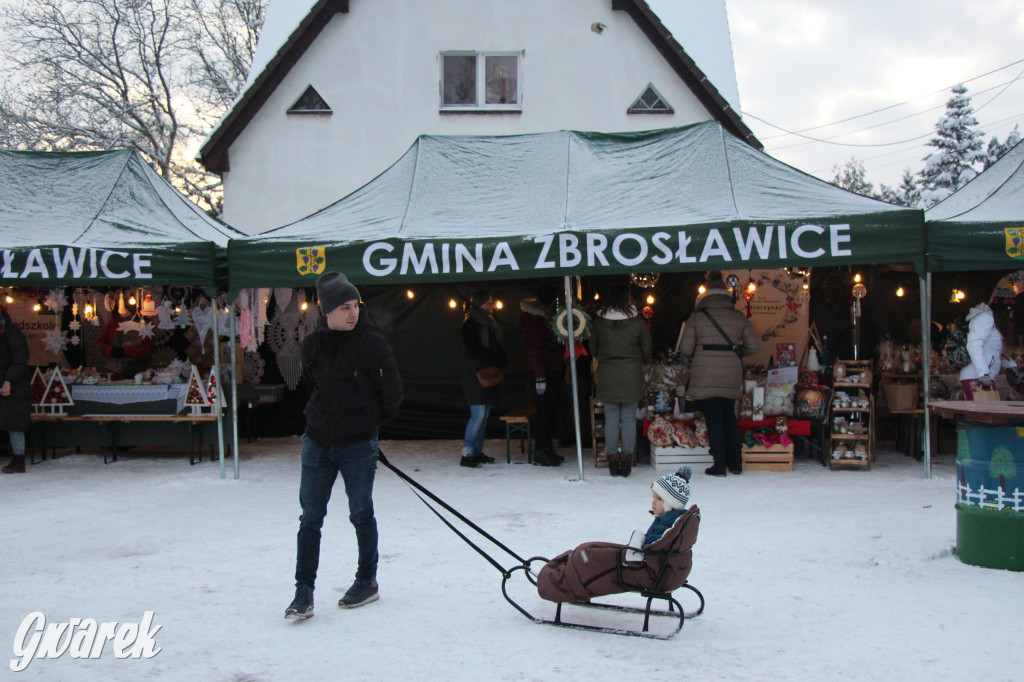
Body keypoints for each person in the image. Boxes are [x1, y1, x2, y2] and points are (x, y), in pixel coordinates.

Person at [285, 272, 403, 620]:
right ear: (327, 311)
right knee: (310, 518)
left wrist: (366, 426)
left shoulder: (373, 344)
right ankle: (303, 591)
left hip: (357, 445)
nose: (352, 313)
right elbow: (312, 383)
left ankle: (367, 580)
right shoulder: (314, 345)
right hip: (318, 442)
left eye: (355, 306)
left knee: (361, 513)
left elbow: (392, 394)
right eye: (344, 307)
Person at [536, 467, 695, 604]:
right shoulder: (671, 521)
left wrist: (637, 544)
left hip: (646, 572)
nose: (653, 502)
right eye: (654, 497)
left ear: (670, 503)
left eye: (659, 498)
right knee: (589, 550)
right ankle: (565, 571)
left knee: (586, 557)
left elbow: (648, 553)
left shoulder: (667, 527)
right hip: (655, 569)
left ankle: (560, 581)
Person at [679, 271, 760, 477]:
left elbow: (686, 349)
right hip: (731, 371)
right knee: (729, 416)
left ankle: (719, 464)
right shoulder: (738, 316)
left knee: (713, 418)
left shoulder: (697, 317)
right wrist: (736, 351)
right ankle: (736, 464)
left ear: (705, 296)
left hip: (705, 372)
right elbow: (754, 346)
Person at [590, 284, 652, 477]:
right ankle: (626, 460)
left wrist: (606, 357)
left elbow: (592, 348)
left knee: (610, 418)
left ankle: (611, 460)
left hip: (608, 374)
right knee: (628, 419)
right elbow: (647, 350)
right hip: (632, 374)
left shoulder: (599, 322)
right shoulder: (638, 322)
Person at [459, 291, 508, 468]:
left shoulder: (489, 324)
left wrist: (500, 360)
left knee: (483, 415)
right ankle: (468, 453)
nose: (491, 305)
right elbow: (474, 350)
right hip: (476, 374)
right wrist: (494, 359)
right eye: (488, 302)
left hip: (486, 371)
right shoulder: (470, 324)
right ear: (479, 304)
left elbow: (494, 347)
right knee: (478, 415)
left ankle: (476, 451)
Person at [520, 286, 565, 467]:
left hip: (549, 370)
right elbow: (534, 351)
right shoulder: (533, 321)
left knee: (550, 412)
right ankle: (540, 450)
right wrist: (539, 377)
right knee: (544, 413)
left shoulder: (541, 320)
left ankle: (546, 448)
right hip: (544, 372)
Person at [0, 309, 31, 474]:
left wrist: (8, 381)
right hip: (7, 382)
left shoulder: (12, 333)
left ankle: (18, 460)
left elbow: (20, 359)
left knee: (14, 424)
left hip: (15, 387)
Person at [959, 302, 1003, 400]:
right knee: (984, 411)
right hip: (977, 376)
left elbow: (994, 350)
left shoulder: (989, 320)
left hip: (982, 375)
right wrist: (983, 372)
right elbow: (974, 344)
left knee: (986, 411)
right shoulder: (985, 319)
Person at [96, 309, 154, 379]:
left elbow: (147, 350)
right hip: (116, 371)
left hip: (138, 372)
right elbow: (101, 342)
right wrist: (110, 350)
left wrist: (126, 351)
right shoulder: (114, 322)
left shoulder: (143, 324)